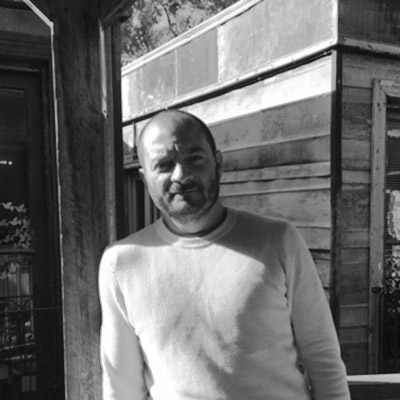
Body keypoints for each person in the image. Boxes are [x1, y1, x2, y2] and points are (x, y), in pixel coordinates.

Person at [98, 110, 350, 400]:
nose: (181, 175)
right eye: (164, 165)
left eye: (194, 158)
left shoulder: (278, 240)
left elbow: (323, 358)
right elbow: (122, 389)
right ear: (144, 178)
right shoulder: (121, 263)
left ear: (218, 164)